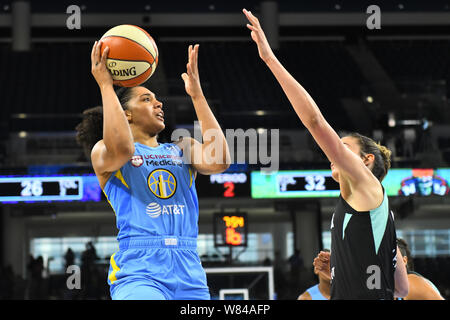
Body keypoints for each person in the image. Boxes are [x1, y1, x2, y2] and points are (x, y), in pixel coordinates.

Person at [243, 8, 409, 299]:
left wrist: (269, 59)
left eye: (344, 148)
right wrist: (344, 266)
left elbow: (315, 123)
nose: (334, 152)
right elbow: (400, 288)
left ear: (366, 160)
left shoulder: (367, 184)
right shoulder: (373, 212)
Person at [75, 41, 230, 300]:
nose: (159, 104)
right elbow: (124, 148)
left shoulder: (183, 148)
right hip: (140, 269)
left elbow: (220, 161)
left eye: (158, 100)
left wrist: (197, 96)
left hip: (188, 267)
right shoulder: (103, 151)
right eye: (147, 99)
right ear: (127, 115)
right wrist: (106, 86)